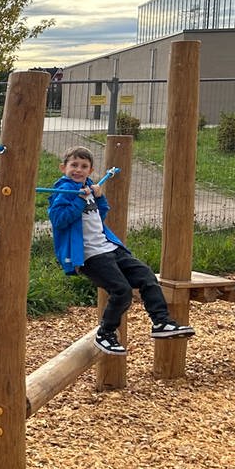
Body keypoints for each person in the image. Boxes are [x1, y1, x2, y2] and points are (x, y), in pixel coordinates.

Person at [47, 145, 194, 356]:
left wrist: (98, 197)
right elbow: (59, 220)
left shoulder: (88, 187)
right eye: (74, 165)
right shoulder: (63, 191)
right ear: (63, 167)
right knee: (121, 290)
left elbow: (101, 213)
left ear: (90, 170)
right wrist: (78, 200)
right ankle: (105, 333)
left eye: (84, 166)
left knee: (146, 276)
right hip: (89, 255)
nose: (78, 170)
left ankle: (161, 322)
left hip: (109, 247)